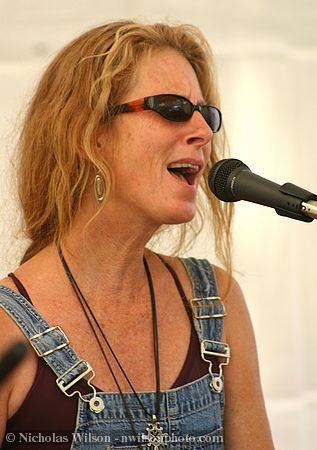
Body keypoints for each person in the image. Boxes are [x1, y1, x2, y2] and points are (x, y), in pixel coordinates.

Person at [0, 19, 274, 449]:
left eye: (207, 114)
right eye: (173, 108)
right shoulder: (6, 328)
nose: (203, 133)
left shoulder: (216, 301)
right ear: (89, 134)